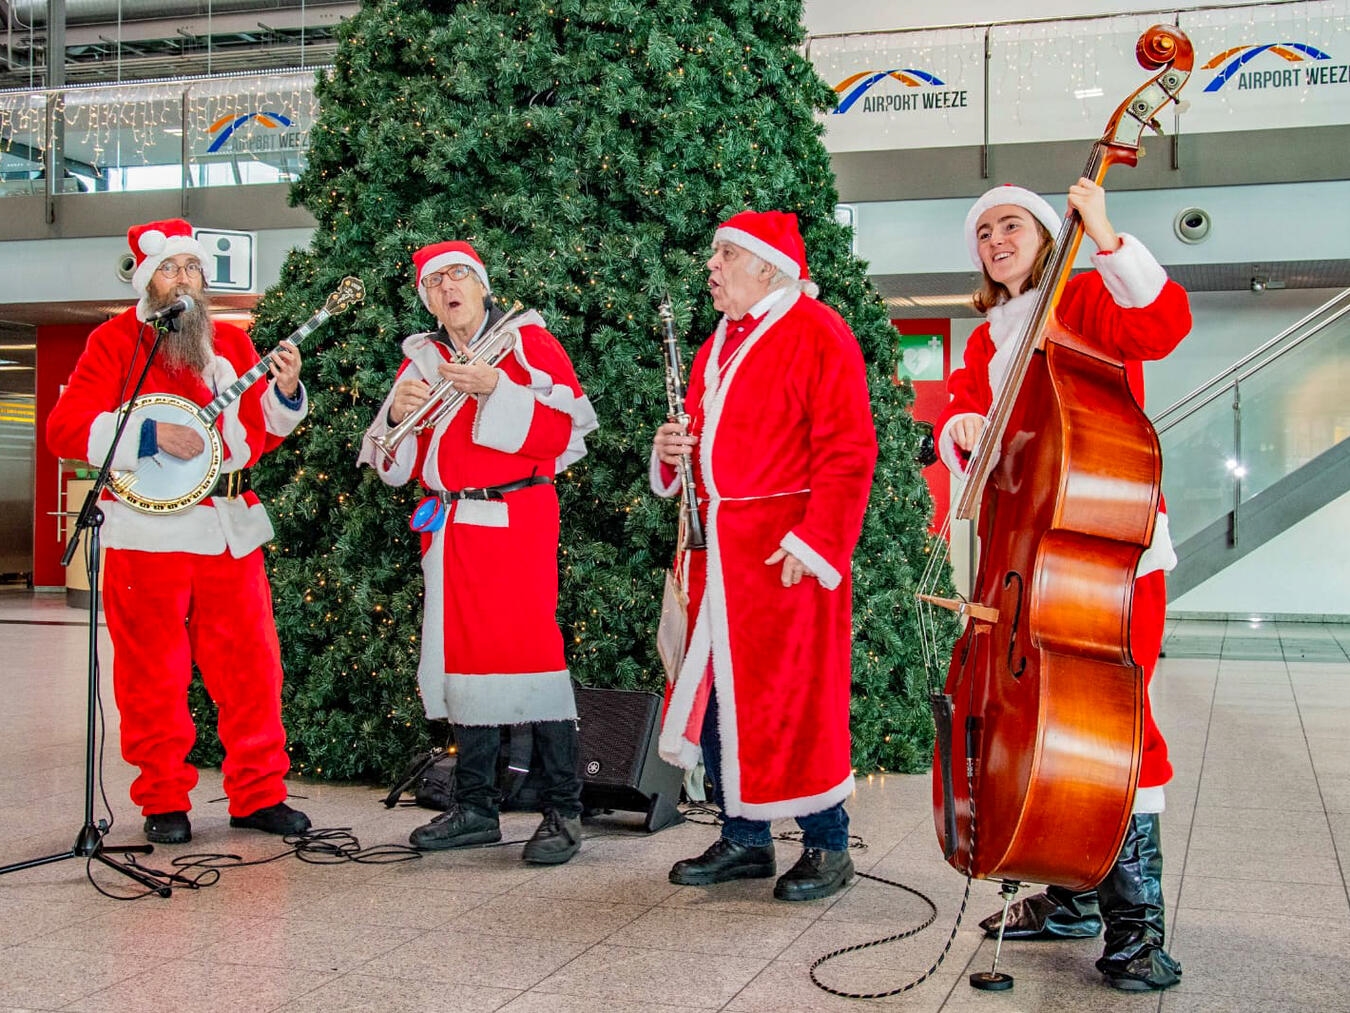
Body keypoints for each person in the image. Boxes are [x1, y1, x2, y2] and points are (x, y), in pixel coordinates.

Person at [934, 181, 1190, 991]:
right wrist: (961, 430)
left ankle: (1138, 929)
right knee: (1044, 722)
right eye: (983, 231)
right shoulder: (987, 338)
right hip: (1025, 562)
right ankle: (1071, 889)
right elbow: (967, 420)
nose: (995, 239)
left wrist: (1107, 233)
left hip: (1106, 561)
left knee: (1116, 727)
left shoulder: (1081, 297)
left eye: (1011, 223)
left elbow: (1162, 325)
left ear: (1048, 234)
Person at [46, 218, 312, 845]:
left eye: (192, 268)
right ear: (149, 280)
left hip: (227, 531)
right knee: (152, 676)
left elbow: (257, 438)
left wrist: (287, 392)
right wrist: (146, 435)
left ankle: (258, 794)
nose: (184, 279)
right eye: (171, 269)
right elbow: (66, 428)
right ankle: (163, 797)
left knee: (252, 670)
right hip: (147, 535)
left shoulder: (233, 346)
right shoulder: (114, 341)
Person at [651, 210, 877, 902]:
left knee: (797, 698)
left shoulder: (819, 332)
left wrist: (815, 543)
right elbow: (696, 443)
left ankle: (827, 843)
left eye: (724, 255)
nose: (711, 267)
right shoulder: (716, 342)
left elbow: (849, 448)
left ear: (767, 266)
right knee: (720, 699)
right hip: (720, 553)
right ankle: (745, 837)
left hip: (786, 553)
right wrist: (669, 456)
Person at [359, 241, 598, 865]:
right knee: (456, 658)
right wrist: (394, 417)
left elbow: (565, 434)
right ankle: (475, 808)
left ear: (483, 285)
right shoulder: (421, 360)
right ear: (427, 299)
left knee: (532, 659)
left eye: (459, 275)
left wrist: (498, 389)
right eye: (435, 282)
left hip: (517, 517)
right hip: (449, 525)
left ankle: (563, 811)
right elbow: (393, 463)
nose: (448, 287)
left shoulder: (528, 344)